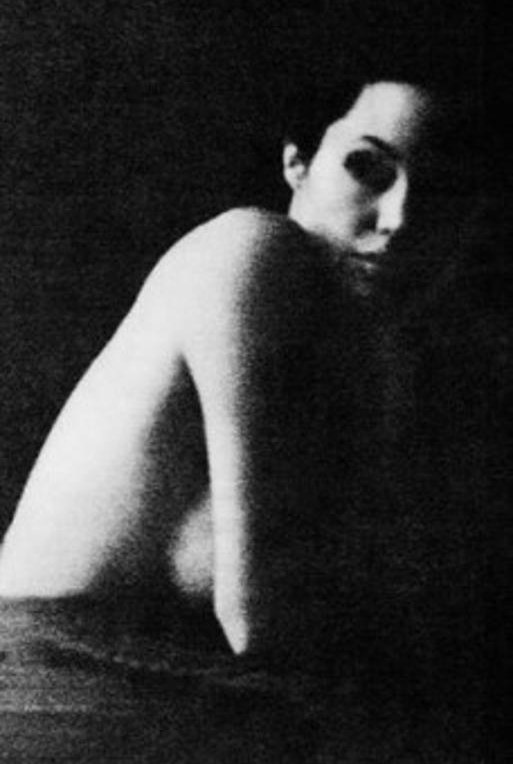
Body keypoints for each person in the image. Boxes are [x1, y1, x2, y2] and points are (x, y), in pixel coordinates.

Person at [0, 76, 477, 667]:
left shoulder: (381, 350)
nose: (399, 219)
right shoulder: (256, 251)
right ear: (298, 162)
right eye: (367, 168)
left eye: (440, 195)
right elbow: (263, 619)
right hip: (51, 675)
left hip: (151, 683)